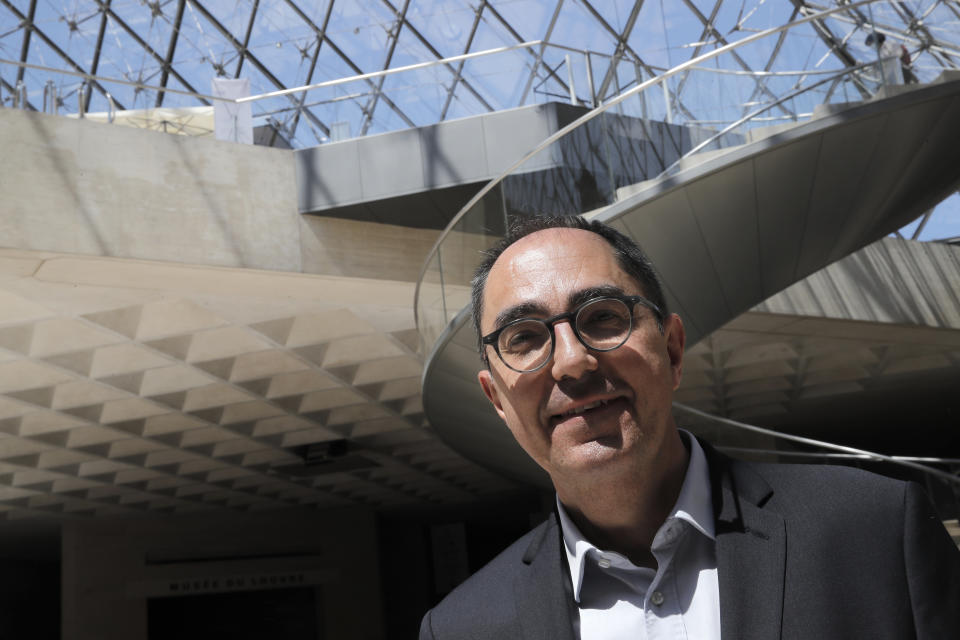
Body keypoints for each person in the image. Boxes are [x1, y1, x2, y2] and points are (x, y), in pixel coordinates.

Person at [419, 215, 960, 639]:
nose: (571, 362)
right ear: (497, 400)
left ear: (673, 350)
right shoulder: (464, 629)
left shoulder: (876, 532)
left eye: (603, 315)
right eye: (524, 337)